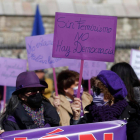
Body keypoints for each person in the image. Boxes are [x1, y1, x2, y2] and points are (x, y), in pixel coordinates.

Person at [71, 70, 140, 140]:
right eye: (94, 89)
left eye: (98, 90)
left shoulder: (131, 114)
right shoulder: (91, 113)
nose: (94, 93)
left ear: (110, 94)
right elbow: (76, 136)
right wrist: (76, 118)